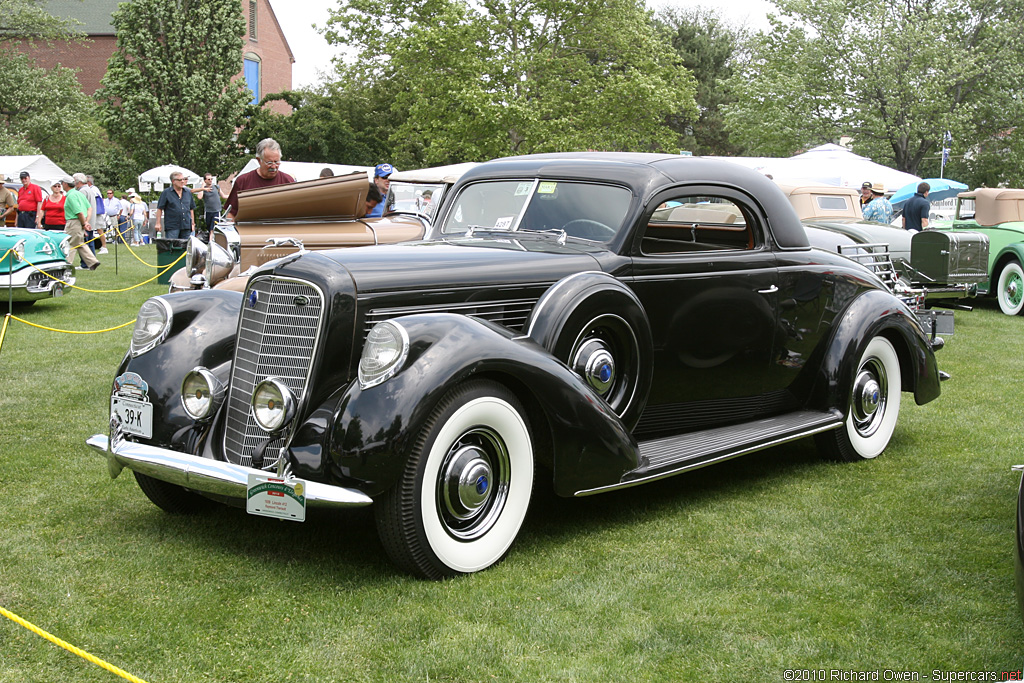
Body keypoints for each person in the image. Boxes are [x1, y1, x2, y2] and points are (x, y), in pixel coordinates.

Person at [225, 138, 296, 220]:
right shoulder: (243, 181)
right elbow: (231, 214)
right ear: (259, 160)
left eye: (276, 162)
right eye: (269, 163)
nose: (273, 167)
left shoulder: (288, 182)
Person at [62, 174, 100, 270]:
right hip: (80, 221)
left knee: (70, 243)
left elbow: (78, 211)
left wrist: (84, 223)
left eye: (62, 183)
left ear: (66, 184)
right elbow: (89, 208)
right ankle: (92, 261)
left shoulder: (71, 196)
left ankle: (67, 264)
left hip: (73, 222)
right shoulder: (78, 193)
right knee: (79, 243)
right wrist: (86, 222)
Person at [154, 171, 196, 239]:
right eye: (180, 180)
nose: (182, 181)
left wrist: (193, 224)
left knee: (186, 247)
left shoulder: (188, 192)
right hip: (172, 226)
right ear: (173, 181)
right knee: (172, 246)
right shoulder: (166, 193)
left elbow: (191, 209)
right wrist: (158, 223)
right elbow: (160, 208)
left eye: (183, 179)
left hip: (186, 226)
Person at [192, 173, 228, 238]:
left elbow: (223, 196)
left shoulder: (216, 187)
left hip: (216, 211)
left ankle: (211, 242)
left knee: (213, 229)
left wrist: (233, 195)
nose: (210, 180)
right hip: (208, 212)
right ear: (205, 180)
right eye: (209, 179)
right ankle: (211, 240)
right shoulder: (204, 189)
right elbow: (199, 197)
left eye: (211, 179)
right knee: (209, 228)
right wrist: (202, 187)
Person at [82, 175, 107, 253]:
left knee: (99, 229)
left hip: (96, 213)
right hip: (93, 212)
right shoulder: (91, 189)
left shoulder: (93, 189)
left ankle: (104, 247)